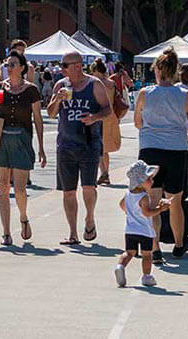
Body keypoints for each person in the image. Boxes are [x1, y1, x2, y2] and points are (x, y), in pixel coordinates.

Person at [134, 48, 188, 261]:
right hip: (176, 150)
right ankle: (179, 245)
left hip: (150, 149)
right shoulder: (184, 95)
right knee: (175, 201)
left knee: (153, 200)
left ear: (157, 70)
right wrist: (184, 139)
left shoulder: (145, 93)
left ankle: (154, 248)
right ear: (175, 72)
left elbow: (137, 122)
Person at [49, 51, 113, 245]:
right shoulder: (61, 85)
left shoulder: (94, 84)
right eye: (67, 65)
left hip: (89, 143)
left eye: (77, 64)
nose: (63, 69)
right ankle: (73, 233)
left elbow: (108, 110)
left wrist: (94, 118)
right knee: (68, 191)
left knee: (88, 187)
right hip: (66, 144)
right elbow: (52, 113)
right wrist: (58, 99)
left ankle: (90, 218)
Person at [0, 50, 46, 245]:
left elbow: (37, 119)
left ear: (22, 68)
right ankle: (6, 232)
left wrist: (41, 147)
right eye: (7, 64)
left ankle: (23, 217)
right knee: (3, 187)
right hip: (1, 139)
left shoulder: (31, 90)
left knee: (19, 189)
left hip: (22, 140)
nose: (9, 67)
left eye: (13, 64)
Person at [114, 160, 171, 288]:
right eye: (149, 179)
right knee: (147, 254)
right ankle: (146, 276)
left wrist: (130, 212)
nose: (152, 181)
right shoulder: (143, 197)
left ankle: (120, 266)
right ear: (140, 182)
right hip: (144, 231)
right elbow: (147, 213)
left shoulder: (128, 194)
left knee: (129, 252)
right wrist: (160, 209)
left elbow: (122, 205)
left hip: (130, 230)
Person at [92, 59, 122, 186]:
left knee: (97, 147)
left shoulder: (94, 83)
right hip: (111, 116)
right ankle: (105, 173)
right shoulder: (111, 83)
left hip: (98, 116)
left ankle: (103, 173)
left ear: (95, 70)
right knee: (105, 149)